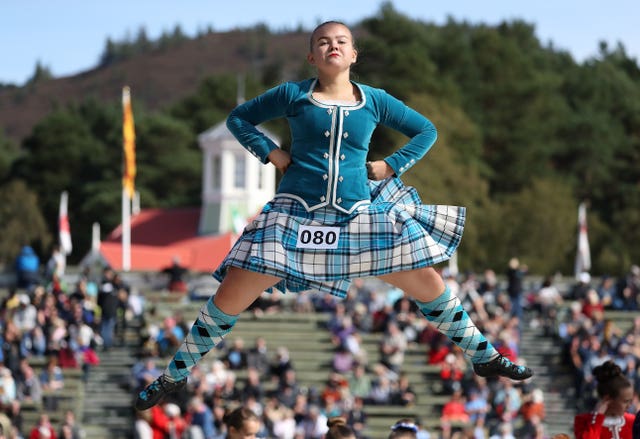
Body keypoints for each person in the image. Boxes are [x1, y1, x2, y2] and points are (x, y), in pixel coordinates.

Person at [135, 19, 532, 411]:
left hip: (357, 215)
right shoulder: (293, 94)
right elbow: (239, 119)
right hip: (295, 215)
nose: (333, 46)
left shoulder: (374, 100)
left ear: (354, 54)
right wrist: (271, 153)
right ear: (312, 55)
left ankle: (482, 354)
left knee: (427, 279)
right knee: (230, 295)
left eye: (342, 41)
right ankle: (175, 374)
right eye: (323, 42)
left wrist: (393, 164)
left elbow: (426, 130)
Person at [574, 360, 635, 438]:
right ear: (608, 399)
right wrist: (598, 417)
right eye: (625, 401)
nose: (629, 405)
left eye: (630, 401)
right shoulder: (583, 421)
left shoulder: (633, 421)